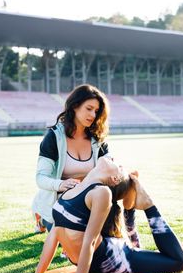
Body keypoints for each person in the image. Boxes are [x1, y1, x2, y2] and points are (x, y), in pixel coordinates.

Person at [9, 156, 183, 273]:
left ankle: (148, 205)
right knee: (139, 250)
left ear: (115, 178)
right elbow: (55, 233)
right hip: (95, 262)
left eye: (118, 165)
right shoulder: (71, 189)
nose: (113, 158)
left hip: (116, 260)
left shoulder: (102, 193)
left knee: (179, 262)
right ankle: (131, 208)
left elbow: (90, 241)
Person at [32, 84, 141, 248]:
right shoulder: (54, 137)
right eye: (89, 108)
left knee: (132, 180)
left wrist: (118, 175)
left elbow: (109, 162)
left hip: (91, 196)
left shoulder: (96, 137)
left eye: (96, 111)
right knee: (72, 240)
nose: (93, 115)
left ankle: (130, 227)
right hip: (62, 199)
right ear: (75, 106)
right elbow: (41, 178)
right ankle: (41, 215)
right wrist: (61, 184)